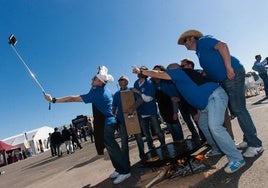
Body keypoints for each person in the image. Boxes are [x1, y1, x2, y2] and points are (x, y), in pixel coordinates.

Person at [132, 64, 245, 174]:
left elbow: (160, 74)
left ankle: (236, 158)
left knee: (215, 126)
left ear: (176, 69)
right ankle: (216, 148)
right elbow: (195, 93)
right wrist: (198, 111)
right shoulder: (180, 81)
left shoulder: (181, 72)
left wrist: (141, 72)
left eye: (170, 70)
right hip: (203, 105)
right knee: (203, 124)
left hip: (215, 97)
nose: (169, 72)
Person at [177, 29, 263, 157]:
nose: (184, 45)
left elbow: (222, 46)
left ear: (191, 38)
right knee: (237, 109)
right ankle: (248, 139)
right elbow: (212, 67)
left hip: (231, 74)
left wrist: (228, 67)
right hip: (224, 79)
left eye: (185, 41)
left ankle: (255, 145)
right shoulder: (199, 53)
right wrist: (205, 74)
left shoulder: (203, 41)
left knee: (238, 108)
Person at [44, 66, 130, 184]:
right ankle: (119, 169)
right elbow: (96, 86)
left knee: (113, 149)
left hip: (107, 124)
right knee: (111, 149)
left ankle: (125, 171)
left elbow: (72, 98)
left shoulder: (96, 93)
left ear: (100, 82)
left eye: (94, 78)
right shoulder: (104, 90)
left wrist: (53, 100)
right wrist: (99, 73)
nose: (92, 79)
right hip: (108, 122)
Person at [112, 75, 145, 165]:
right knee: (124, 142)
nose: (119, 81)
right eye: (119, 80)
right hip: (122, 121)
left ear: (126, 82)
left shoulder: (132, 90)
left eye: (121, 79)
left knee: (139, 139)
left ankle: (143, 158)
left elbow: (140, 100)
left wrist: (133, 108)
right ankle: (126, 162)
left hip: (134, 119)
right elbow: (114, 107)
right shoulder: (116, 94)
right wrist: (113, 116)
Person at [131, 66, 166, 150]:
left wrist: (138, 92)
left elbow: (148, 99)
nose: (140, 72)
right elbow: (136, 98)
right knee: (146, 133)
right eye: (140, 70)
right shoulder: (136, 83)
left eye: (142, 71)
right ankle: (151, 148)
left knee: (157, 130)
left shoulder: (149, 83)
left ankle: (164, 145)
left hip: (151, 111)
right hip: (141, 112)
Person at [150, 65, 184, 142]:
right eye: (154, 71)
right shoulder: (152, 84)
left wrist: (175, 112)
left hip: (171, 108)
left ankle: (182, 142)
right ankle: (177, 144)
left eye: (158, 71)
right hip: (163, 110)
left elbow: (174, 97)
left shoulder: (167, 82)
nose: (156, 73)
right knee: (171, 129)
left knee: (176, 127)